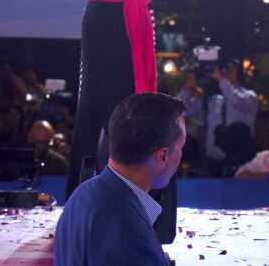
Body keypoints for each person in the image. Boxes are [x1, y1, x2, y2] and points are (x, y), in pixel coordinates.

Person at [54, 0, 171, 239]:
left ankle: (138, 207)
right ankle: (78, 203)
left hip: (129, 20)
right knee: (90, 108)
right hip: (96, 21)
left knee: (131, 110)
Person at [54, 92, 186, 266]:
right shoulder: (129, 232)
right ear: (163, 156)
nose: (181, 154)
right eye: (181, 147)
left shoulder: (83, 193)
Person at [177, 60, 259, 175]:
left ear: (240, 73)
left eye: (231, 69)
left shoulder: (249, 96)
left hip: (241, 159)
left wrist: (221, 80)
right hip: (213, 160)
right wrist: (188, 86)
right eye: (225, 69)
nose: (226, 72)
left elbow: (236, 100)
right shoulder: (214, 100)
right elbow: (183, 110)